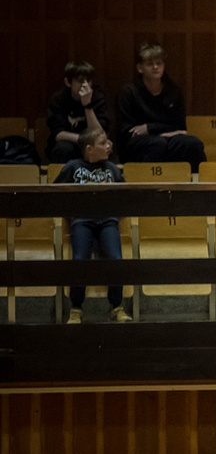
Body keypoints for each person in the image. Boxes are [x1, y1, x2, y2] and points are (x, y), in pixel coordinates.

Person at [53, 130, 131, 325]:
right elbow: (53, 193)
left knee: (116, 259)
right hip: (82, 221)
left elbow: (126, 196)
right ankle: (76, 309)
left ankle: (116, 307)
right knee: (80, 260)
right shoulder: (72, 167)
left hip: (107, 221)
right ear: (89, 149)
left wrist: (115, 214)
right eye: (103, 143)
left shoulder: (112, 169)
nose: (108, 146)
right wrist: (70, 214)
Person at [115, 43, 207, 170]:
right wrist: (160, 134)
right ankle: (149, 182)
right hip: (138, 143)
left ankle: (199, 181)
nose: (155, 67)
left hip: (168, 138)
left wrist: (150, 128)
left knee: (193, 143)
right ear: (140, 68)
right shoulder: (128, 92)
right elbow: (127, 132)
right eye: (149, 64)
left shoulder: (173, 91)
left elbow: (180, 127)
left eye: (159, 63)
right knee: (157, 144)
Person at [46, 62, 112, 164]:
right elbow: (58, 134)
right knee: (63, 148)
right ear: (68, 82)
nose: (85, 85)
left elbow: (99, 133)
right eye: (80, 81)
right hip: (69, 143)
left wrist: (87, 106)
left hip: (92, 144)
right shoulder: (58, 99)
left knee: (103, 148)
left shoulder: (97, 97)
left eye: (88, 80)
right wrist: (84, 140)